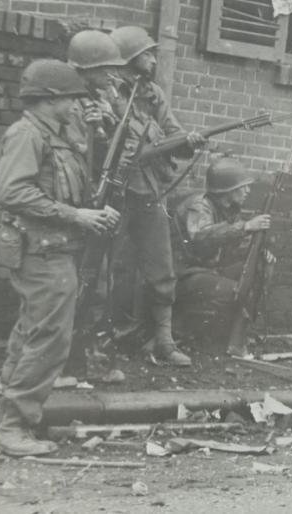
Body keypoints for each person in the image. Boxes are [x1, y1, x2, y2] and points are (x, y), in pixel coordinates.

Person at [0, 59, 121, 456]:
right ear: (49, 98)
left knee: (32, 332)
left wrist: (91, 210)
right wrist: (76, 216)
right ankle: (12, 428)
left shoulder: (57, 136)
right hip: (41, 251)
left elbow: (65, 187)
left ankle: (9, 420)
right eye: (69, 98)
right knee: (50, 339)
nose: (75, 105)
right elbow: (12, 192)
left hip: (55, 248)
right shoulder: (27, 134)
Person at [107, 25, 207, 366]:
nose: (153, 60)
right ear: (130, 58)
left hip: (150, 190)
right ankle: (110, 340)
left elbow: (174, 132)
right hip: (116, 193)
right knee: (114, 267)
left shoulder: (153, 95)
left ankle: (163, 341)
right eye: (147, 54)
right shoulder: (109, 93)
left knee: (162, 267)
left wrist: (186, 142)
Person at [59, 29, 127, 382]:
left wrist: (109, 125)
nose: (112, 76)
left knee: (96, 284)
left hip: (95, 201)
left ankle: (88, 362)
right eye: (106, 69)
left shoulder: (100, 102)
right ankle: (63, 365)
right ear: (87, 69)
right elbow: (72, 156)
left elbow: (107, 155)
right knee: (74, 287)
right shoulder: (68, 105)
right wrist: (92, 132)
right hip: (72, 207)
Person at [171, 157, 275, 358]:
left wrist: (260, 251)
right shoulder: (199, 206)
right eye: (243, 187)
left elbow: (234, 247)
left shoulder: (229, 211)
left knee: (259, 268)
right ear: (228, 190)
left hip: (209, 272)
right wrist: (246, 227)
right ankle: (193, 331)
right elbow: (201, 237)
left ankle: (234, 338)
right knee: (235, 291)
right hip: (185, 276)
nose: (247, 191)